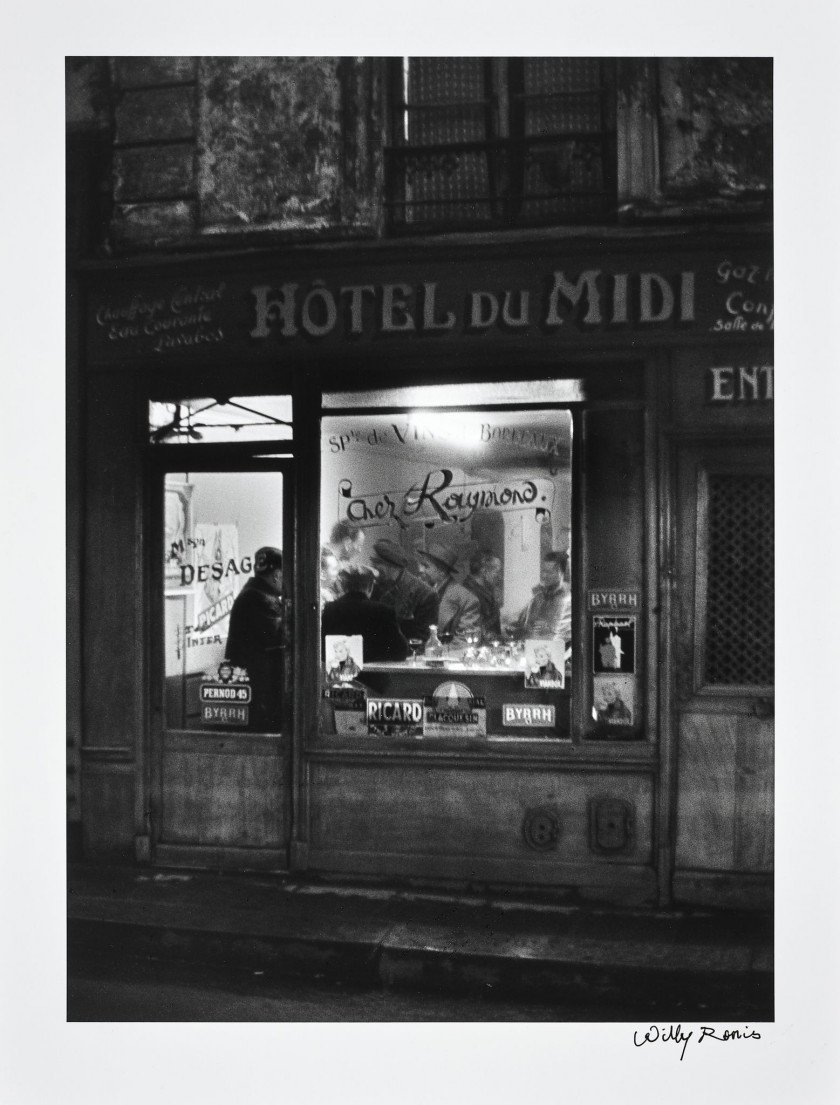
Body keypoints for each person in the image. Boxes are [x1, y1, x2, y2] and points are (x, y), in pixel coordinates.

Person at [225, 546, 285, 730]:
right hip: (259, 690)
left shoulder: (252, 594)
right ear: (276, 575)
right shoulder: (260, 599)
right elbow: (280, 636)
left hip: (252, 687)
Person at [321, 566, 409, 662]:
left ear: (342, 586)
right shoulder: (383, 611)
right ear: (371, 587)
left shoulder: (329, 610)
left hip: (340, 674)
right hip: (374, 675)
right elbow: (401, 652)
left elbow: (321, 650)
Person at [369, 537, 438, 644]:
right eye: (372, 561)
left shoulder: (425, 595)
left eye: (377, 562)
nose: (372, 567)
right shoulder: (372, 587)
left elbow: (422, 641)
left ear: (392, 565)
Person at [415, 543, 482, 651]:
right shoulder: (419, 592)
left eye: (426, 566)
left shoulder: (467, 600)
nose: (421, 570)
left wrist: (431, 651)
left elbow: (465, 643)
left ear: (441, 571)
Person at [510, 550, 571, 642]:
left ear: (561, 573)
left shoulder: (569, 598)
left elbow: (570, 636)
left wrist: (550, 631)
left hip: (555, 652)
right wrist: (515, 627)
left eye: (549, 572)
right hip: (530, 650)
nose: (544, 576)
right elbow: (524, 624)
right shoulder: (537, 596)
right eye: (543, 571)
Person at [462, 550, 502, 643]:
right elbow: (476, 628)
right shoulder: (471, 594)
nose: (499, 576)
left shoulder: (486, 591)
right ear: (484, 571)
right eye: (497, 572)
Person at [320, 546, 340, 610]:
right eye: (334, 569)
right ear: (322, 574)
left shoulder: (329, 594)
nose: (338, 573)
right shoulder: (322, 598)